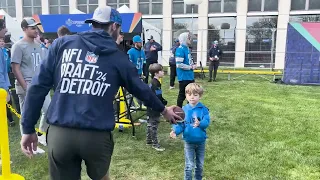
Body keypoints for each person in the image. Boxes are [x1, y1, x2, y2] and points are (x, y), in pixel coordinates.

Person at [20, 6, 180, 180]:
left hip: (60, 133)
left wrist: (28, 128)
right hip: (95, 135)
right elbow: (141, 89)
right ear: (114, 27)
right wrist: (164, 110)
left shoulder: (62, 44)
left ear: (93, 24)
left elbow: (37, 87)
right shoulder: (118, 57)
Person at [11, 18, 47, 153]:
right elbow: (15, 68)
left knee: (48, 110)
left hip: (40, 85)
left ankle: (41, 134)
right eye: (32, 27)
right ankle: (28, 146)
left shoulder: (38, 46)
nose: (35, 30)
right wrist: (25, 86)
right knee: (27, 115)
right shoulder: (18, 45)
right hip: (26, 85)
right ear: (24, 29)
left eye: (36, 27)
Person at [170, 83, 210, 180]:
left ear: (200, 96)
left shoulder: (204, 109)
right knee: (189, 165)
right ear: (186, 96)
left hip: (201, 141)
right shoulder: (183, 110)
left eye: (195, 95)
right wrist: (175, 131)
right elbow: (180, 124)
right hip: (189, 142)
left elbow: (207, 122)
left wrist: (200, 123)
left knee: (199, 165)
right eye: (189, 95)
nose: (192, 97)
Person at [147, 63, 167, 151]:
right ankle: (155, 144)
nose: (163, 72)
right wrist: (163, 104)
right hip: (154, 107)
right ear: (156, 73)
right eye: (161, 71)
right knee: (154, 125)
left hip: (150, 106)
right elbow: (158, 96)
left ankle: (148, 140)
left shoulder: (153, 82)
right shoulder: (156, 83)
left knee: (149, 123)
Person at [175, 32, 196, 108]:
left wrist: (193, 65)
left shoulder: (187, 48)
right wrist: (190, 67)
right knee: (182, 95)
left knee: (191, 95)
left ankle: (189, 111)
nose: (190, 39)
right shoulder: (180, 49)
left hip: (190, 76)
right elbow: (179, 64)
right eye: (188, 37)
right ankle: (178, 111)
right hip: (184, 77)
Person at [0, 37, 15, 126]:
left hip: (5, 79)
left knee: (8, 102)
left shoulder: (4, 51)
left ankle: (9, 119)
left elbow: (4, 70)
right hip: (2, 83)